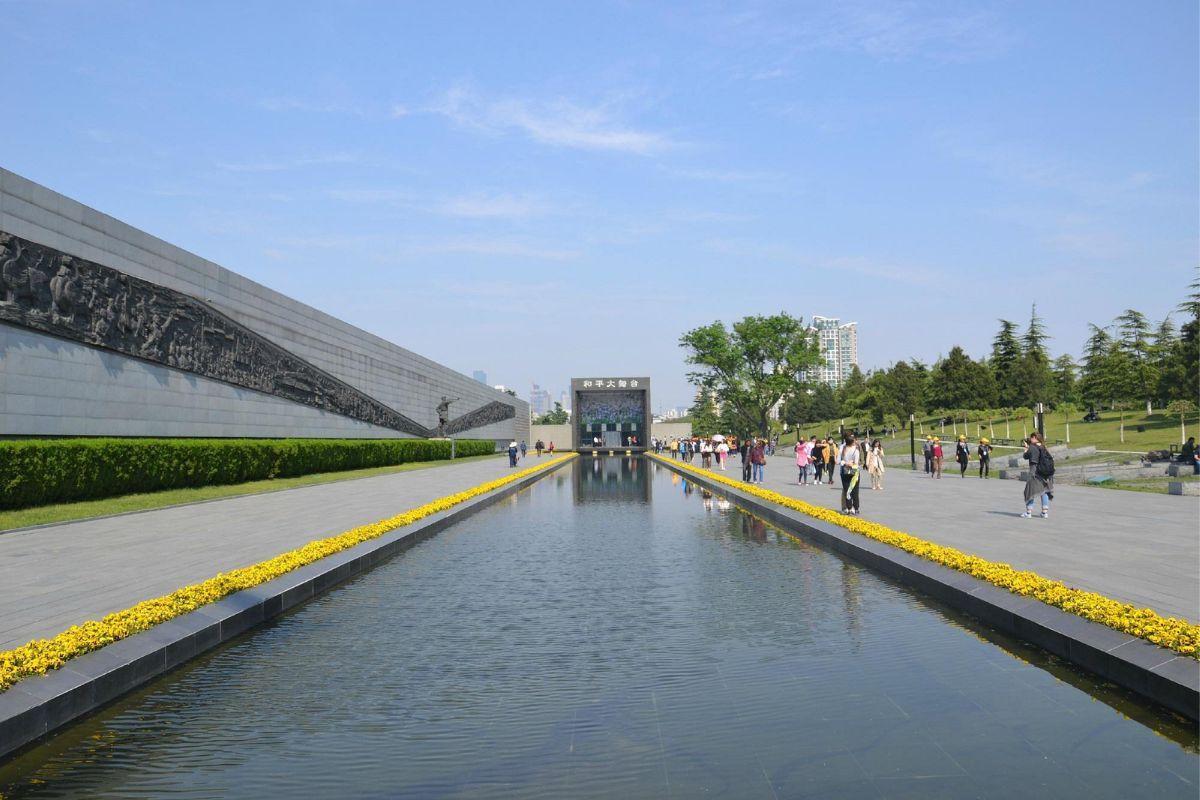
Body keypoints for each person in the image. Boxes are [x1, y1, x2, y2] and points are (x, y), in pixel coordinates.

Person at [1021, 432, 1055, 518]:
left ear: (1035, 437)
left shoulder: (1032, 447)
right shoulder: (1044, 447)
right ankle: (1044, 513)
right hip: (1046, 473)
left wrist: (1026, 449)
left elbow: (1026, 456)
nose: (1030, 439)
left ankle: (1028, 513)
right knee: (1044, 491)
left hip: (1035, 472)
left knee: (1030, 491)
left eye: (1031, 437)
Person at [838, 433, 862, 514]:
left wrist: (845, 463)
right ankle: (856, 508)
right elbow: (856, 462)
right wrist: (850, 463)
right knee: (855, 490)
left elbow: (838, 461)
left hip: (844, 471)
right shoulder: (856, 450)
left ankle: (849, 508)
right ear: (852, 442)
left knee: (847, 490)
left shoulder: (841, 448)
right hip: (854, 472)